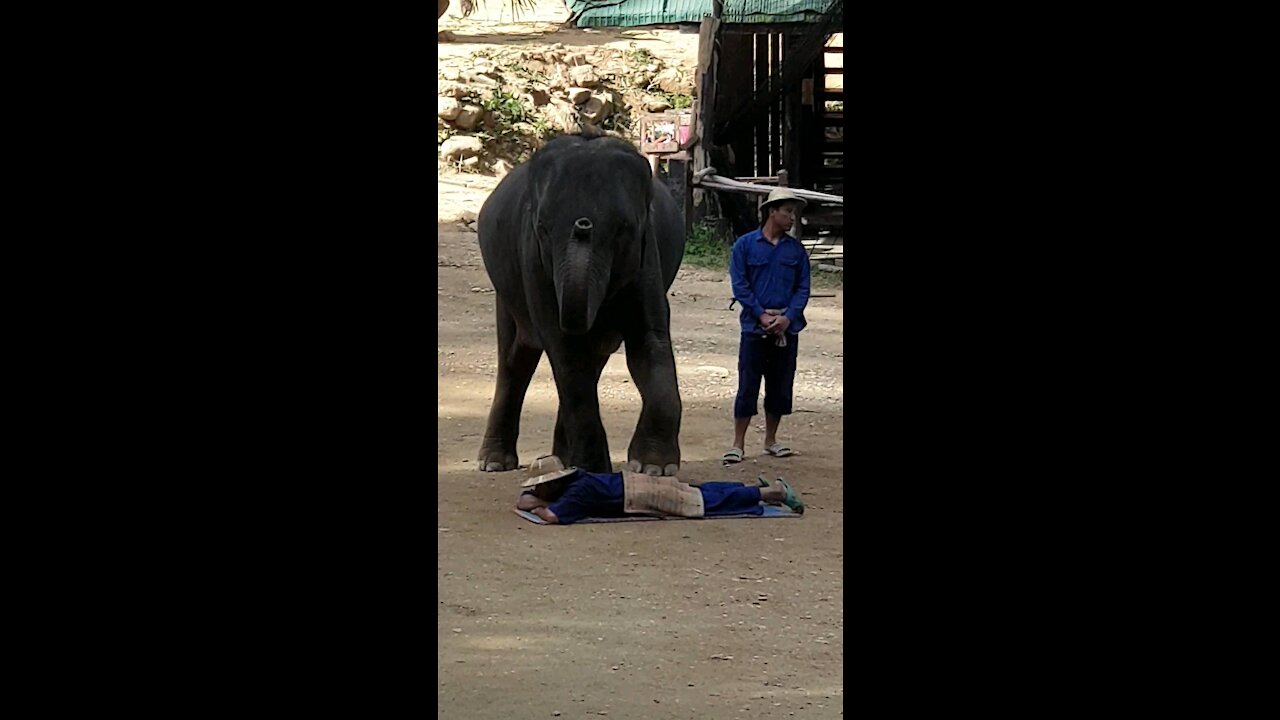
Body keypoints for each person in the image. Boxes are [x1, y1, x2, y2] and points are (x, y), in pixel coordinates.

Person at [723, 188, 812, 464]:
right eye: (787, 212)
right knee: (748, 384)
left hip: (786, 327)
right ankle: (738, 443)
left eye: (793, 213)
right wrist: (761, 314)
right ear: (771, 211)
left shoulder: (796, 251)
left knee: (780, 385)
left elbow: (803, 288)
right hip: (754, 327)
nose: (791, 218)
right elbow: (740, 285)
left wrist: (788, 317)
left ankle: (771, 440)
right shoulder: (745, 246)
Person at [515, 455, 805, 525]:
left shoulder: (578, 492)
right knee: (701, 491)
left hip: (643, 496)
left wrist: (536, 505)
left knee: (706, 502)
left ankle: (772, 493)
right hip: (639, 484)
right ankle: (754, 488)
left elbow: (553, 516)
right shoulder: (580, 479)